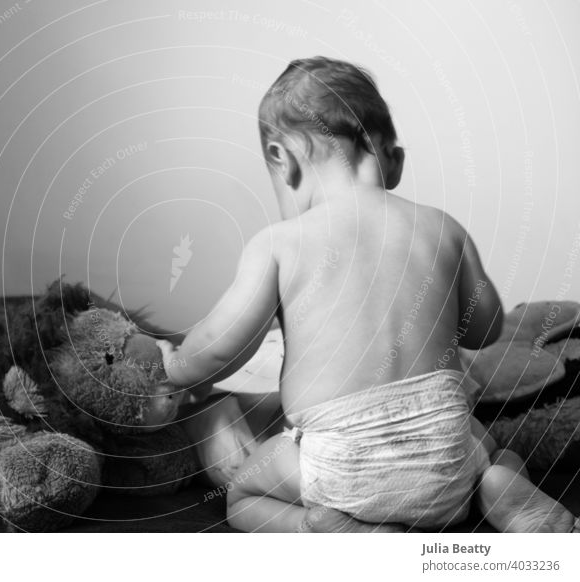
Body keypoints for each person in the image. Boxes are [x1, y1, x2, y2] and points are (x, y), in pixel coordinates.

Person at [159, 56, 579, 533]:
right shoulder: (441, 228)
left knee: (244, 492)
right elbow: (485, 329)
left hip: (342, 470)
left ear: (282, 158)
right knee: (494, 451)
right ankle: (507, 493)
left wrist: (173, 366)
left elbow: (219, 344)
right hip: (447, 464)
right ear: (393, 160)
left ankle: (329, 532)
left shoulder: (279, 244)